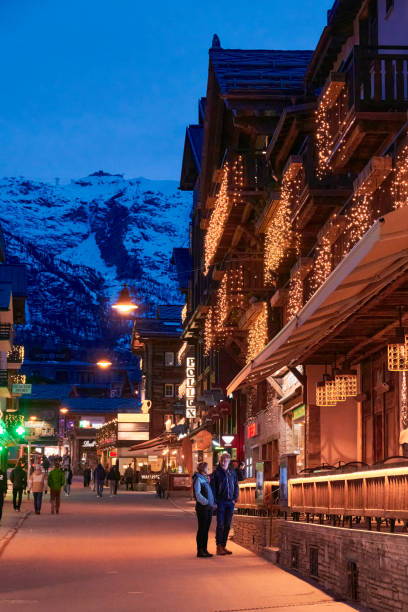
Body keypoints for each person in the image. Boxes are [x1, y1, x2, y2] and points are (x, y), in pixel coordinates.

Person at [210, 452, 239, 556]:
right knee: (220, 524)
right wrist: (214, 502)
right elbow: (212, 489)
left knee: (227, 525)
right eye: (221, 460)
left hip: (230, 502)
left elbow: (236, 485)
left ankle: (223, 546)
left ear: (229, 461)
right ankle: (219, 546)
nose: (222, 462)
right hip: (221, 502)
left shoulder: (232, 472)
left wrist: (235, 499)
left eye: (225, 461)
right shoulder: (216, 473)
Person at [193, 462, 215, 558]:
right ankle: (200, 550)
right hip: (202, 508)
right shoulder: (198, 479)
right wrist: (206, 502)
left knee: (206, 529)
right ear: (203, 469)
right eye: (207, 468)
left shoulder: (205, 479)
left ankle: (204, 549)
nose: (209, 469)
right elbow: (197, 494)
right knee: (202, 529)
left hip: (208, 508)